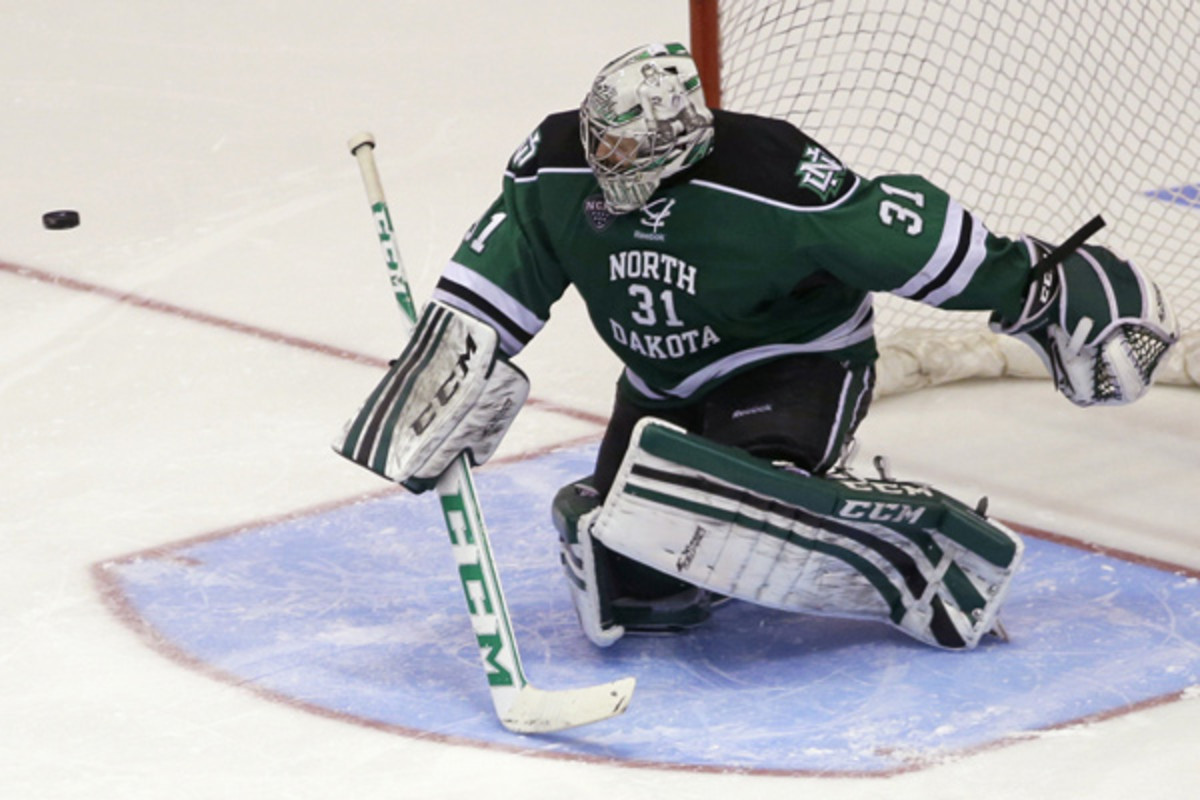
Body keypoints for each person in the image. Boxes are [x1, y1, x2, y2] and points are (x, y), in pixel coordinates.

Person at [339, 43, 1178, 649]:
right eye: (601, 140)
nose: (606, 159)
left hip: (796, 358)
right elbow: (505, 266)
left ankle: (912, 536)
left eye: (626, 146)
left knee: (743, 491)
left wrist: (1032, 282)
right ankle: (744, 527)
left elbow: (903, 235)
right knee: (633, 571)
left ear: (677, 139)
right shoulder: (554, 167)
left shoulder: (771, 174)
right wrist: (454, 358)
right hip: (660, 383)